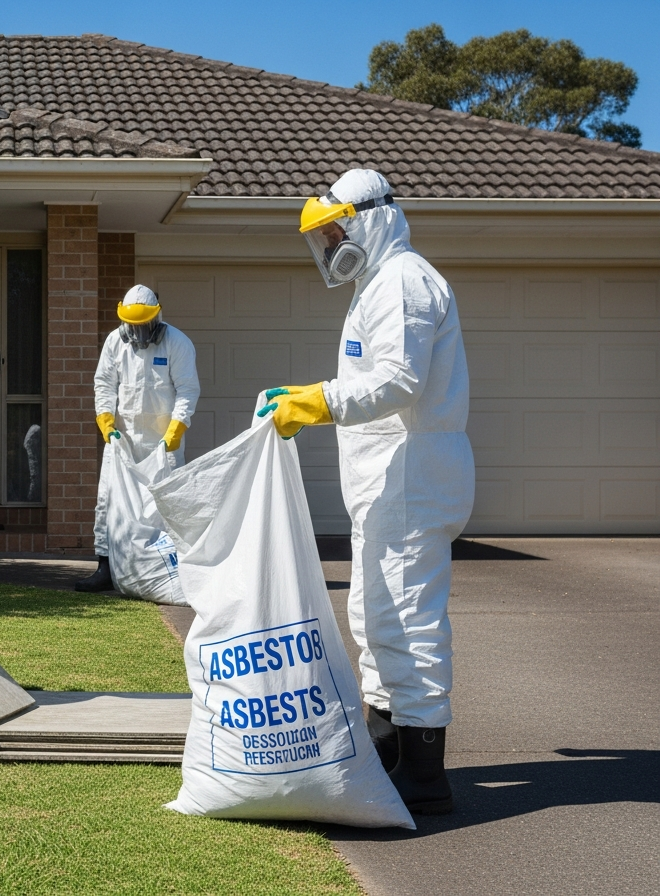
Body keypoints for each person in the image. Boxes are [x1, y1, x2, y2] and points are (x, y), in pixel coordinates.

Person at [257, 169, 473, 814]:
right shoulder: (377, 282)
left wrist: (317, 400)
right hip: (387, 483)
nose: (328, 249)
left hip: (411, 477)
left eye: (333, 233)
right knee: (376, 615)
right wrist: (316, 395)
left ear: (369, 217)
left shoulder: (403, 282)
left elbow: (399, 380)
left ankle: (426, 776)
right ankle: (386, 752)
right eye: (321, 239)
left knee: (408, 619)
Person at [76, 285, 200, 593]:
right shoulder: (115, 343)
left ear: (157, 317)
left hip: (164, 443)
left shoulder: (177, 343)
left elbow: (188, 389)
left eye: (144, 324)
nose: (139, 332)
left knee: (165, 503)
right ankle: (105, 566)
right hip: (123, 439)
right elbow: (104, 383)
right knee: (109, 501)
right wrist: (105, 420)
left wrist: (176, 429)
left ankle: (164, 569)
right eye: (134, 325)